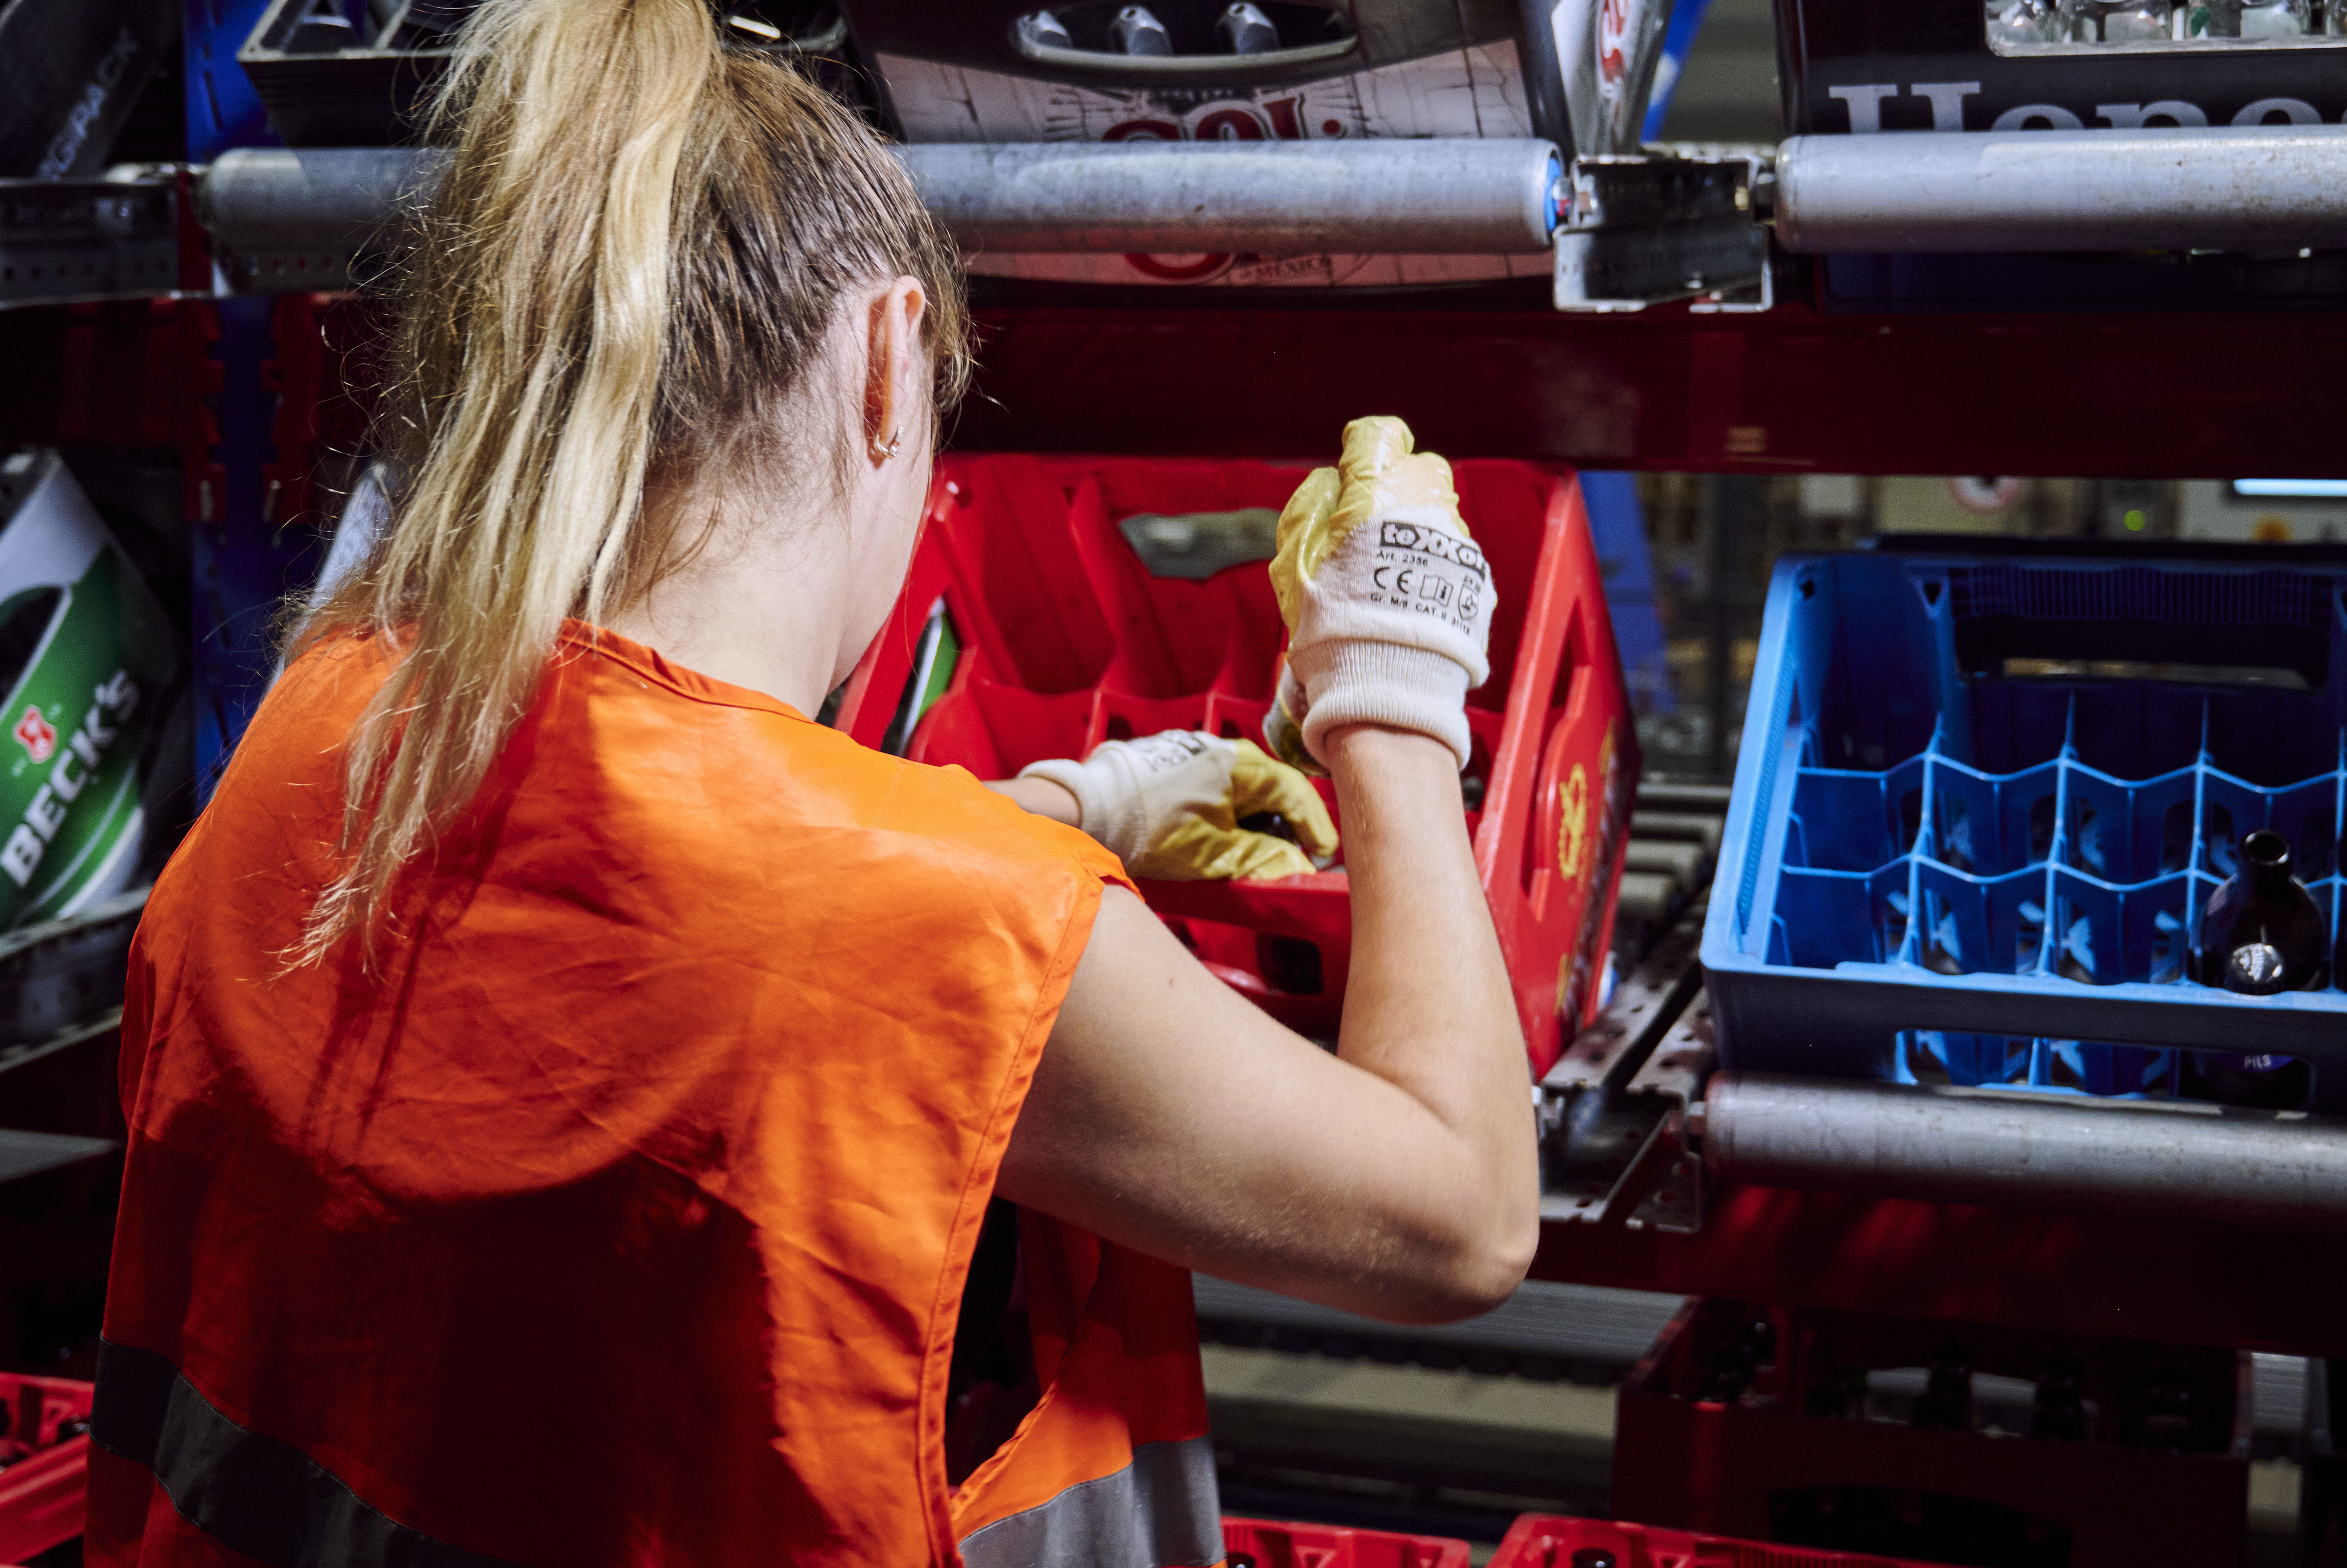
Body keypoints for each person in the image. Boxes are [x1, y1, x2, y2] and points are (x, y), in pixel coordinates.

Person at [84, 0, 1536, 1563]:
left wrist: (1064, 809)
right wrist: (1390, 687)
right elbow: (1458, 1213)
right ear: (882, 361)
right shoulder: (965, 942)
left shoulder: (321, 730)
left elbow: (651, 881)